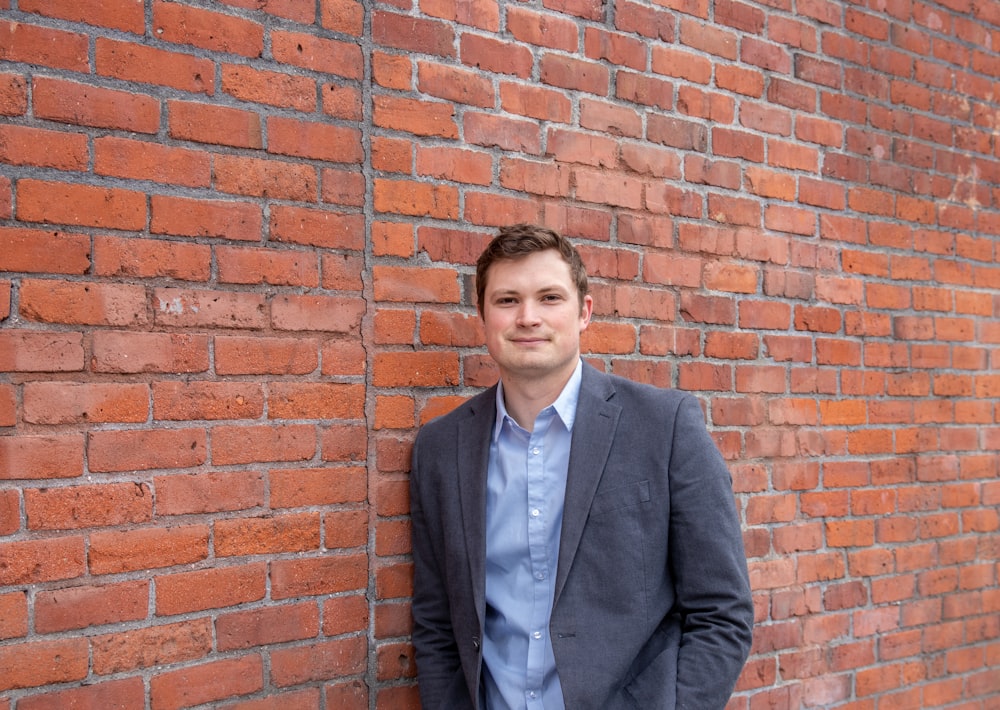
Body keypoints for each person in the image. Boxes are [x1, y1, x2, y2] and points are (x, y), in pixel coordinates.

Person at [409, 223, 754, 709]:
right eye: (507, 300)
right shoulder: (442, 449)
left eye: (549, 297)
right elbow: (438, 623)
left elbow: (722, 612)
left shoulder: (664, 426)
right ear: (481, 317)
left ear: (584, 312)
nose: (528, 317)